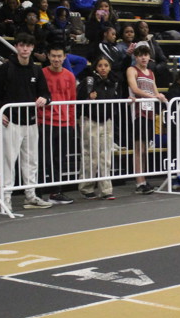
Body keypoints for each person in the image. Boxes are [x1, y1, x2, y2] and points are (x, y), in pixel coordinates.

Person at [0, 32, 54, 211]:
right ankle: (6, 198)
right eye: (22, 45)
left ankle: (31, 196)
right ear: (16, 47)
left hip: (31, 123)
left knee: (31, 161)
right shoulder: (6, 68)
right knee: (8, 162)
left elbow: (46, 93)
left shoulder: (36, 70)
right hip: (11, 123)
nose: (25, 49)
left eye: (28, 45)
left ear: (32, 48)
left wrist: (45, 99)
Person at [39, 43, 77, 205]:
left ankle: (56, 192)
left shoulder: (69, 76)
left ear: (64, 57)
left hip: (64, 124)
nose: (56, 59)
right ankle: (38, 193)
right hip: (45, 122)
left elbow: (72, 101)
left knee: (59, 159)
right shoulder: (41, 73)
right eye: (53, 56)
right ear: (48, 56)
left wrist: (71, 123)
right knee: (43, 159)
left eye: (59, 56)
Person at [126, 43, 166, 195]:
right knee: (138, 148)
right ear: (136, 57)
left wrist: (158, 96)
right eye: (140, 55)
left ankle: (143, 179)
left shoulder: (150, 72)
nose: (143, 58)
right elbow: (135, 89)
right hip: (138, 113)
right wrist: (153, 96)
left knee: (144, 149)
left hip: (149, 112)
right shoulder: (132, 70)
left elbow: (155, 90)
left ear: (150, 57)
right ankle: (139, 182)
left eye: (146, 55)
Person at [77, 56, 119, 200]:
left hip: (107, 121)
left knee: (106, 157)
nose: (103, 68)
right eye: (100, 65)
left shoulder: (113, 82)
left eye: (106, 65)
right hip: (90, 121)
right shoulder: (89, 81)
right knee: (91, 155)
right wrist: (88, 99)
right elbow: (78, 100)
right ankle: (86, 188)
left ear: (110, 67)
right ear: (95, 67)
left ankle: (106, 189)